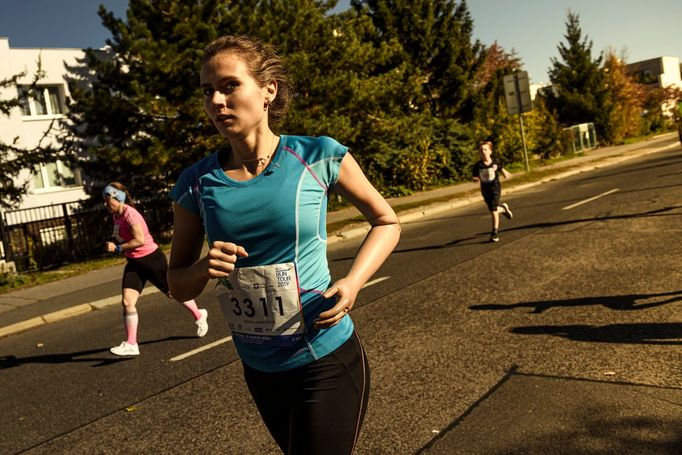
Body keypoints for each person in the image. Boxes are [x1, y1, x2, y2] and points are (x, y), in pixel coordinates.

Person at [167, 35, 400, 454]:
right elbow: (178, 286)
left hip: (325, 358)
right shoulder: (195, 184)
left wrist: (353, 283)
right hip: (260, 369)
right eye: (207, 92)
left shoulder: (318, 155)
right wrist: (204, 267)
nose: (216, 101)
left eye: (229, 86)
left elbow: (386, 221)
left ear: (268, 90)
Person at [103, 182, 209, 357]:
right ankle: (131, 344)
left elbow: (140, 240)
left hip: (151, 259)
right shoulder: (116, 216)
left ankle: (199, 315)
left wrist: (118, 248)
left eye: (108, 200)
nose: (106, 204)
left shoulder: (131, 215)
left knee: (173, 292)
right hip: (135, 262)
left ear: (118, 198)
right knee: (127, 302)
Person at [472, 140, 514, 242]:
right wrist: (476, 179)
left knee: (493, 210)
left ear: (490, 151)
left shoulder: (495, 161)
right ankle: (503, 209)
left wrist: (505, 173)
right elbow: (475, 177)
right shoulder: (478, 166)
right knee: (493, 210)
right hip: (485, 189)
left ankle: (494, 233)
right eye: (481, 150)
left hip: (495, 188)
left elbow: (501, 167)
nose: (483, 151)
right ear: (479, 153)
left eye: (485, 149)